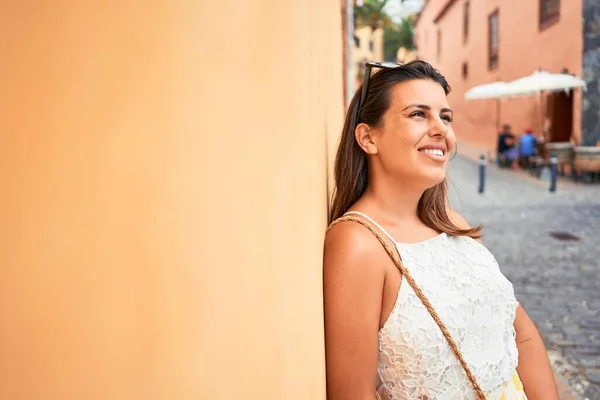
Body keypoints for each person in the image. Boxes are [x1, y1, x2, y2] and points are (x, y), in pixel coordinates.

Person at [323, 61, 558, 400]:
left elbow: (521, 334)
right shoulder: (358, 244)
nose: (440, 130)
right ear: (368, 137)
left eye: (445, 117)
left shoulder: (454, 223)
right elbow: (352, 392)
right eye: (419, 114)